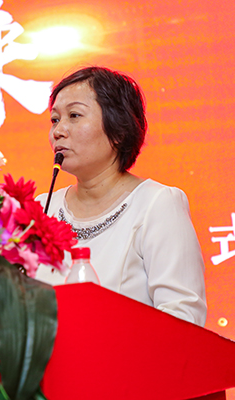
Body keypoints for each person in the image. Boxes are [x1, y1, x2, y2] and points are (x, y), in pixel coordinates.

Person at [35, 66, 207, 326]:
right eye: (55, 119)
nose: (58, 131)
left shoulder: (157, 205)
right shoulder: (39, 209)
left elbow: (183, 317)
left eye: (74, 115)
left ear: (118, 131)